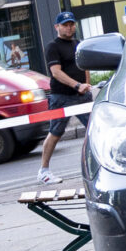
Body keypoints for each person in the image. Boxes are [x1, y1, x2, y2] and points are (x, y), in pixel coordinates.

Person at [39, 11, 93, 177]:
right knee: (55, 133)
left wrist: (87, 85)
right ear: (57, 27)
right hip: (61, 97)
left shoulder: (78, 44)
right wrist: (77, 85)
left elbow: (85, 66)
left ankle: (98, 167)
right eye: (65, 25)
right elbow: (56, 72)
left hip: (82, 96)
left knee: (95, 129)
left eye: (71, 24)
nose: (69, 28)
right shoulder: (53, 47)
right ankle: (44, 171)